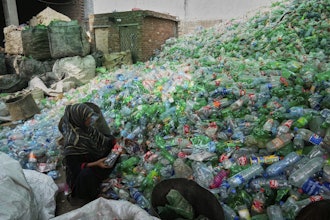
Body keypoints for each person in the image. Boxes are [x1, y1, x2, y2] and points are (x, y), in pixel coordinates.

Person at [58, 102, 117, 205]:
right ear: (79, 119)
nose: (90, 120)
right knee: (87, 174)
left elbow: (104, 141)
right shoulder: (73, 142)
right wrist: (96, 163)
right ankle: (91, 196)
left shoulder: (89, 130)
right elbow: (75, 168)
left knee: (113, 147)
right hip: (81, 176)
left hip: (94, 160)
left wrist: (117, 143)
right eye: (87, 118)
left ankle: (101, 175)